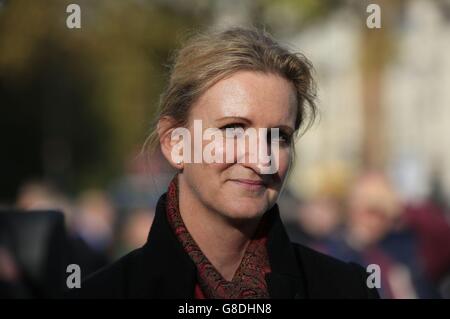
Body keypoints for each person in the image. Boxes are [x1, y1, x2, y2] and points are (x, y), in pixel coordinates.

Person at [68, 27, 379, 299]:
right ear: (175, 143)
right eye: (233, 129)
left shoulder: (346, 288)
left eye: (280, 136)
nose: (261, 159)